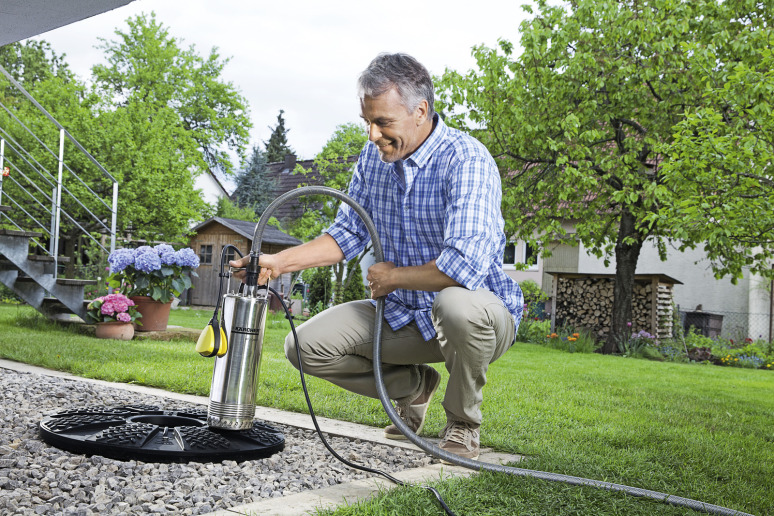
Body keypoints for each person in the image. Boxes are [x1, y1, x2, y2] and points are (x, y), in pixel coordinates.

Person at [231, 53, 523, 461]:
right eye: (367, 121)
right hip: (403, 314)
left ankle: (462, 422)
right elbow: (348, 232)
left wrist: (394, 278)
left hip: (478, 316)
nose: (372, 134)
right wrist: (278, 264)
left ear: (420, 111)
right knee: (306, 346)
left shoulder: (466, 160)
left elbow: (464, 267)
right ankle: (413, 387)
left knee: (456, 305)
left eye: (383, 122)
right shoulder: (375, 158)